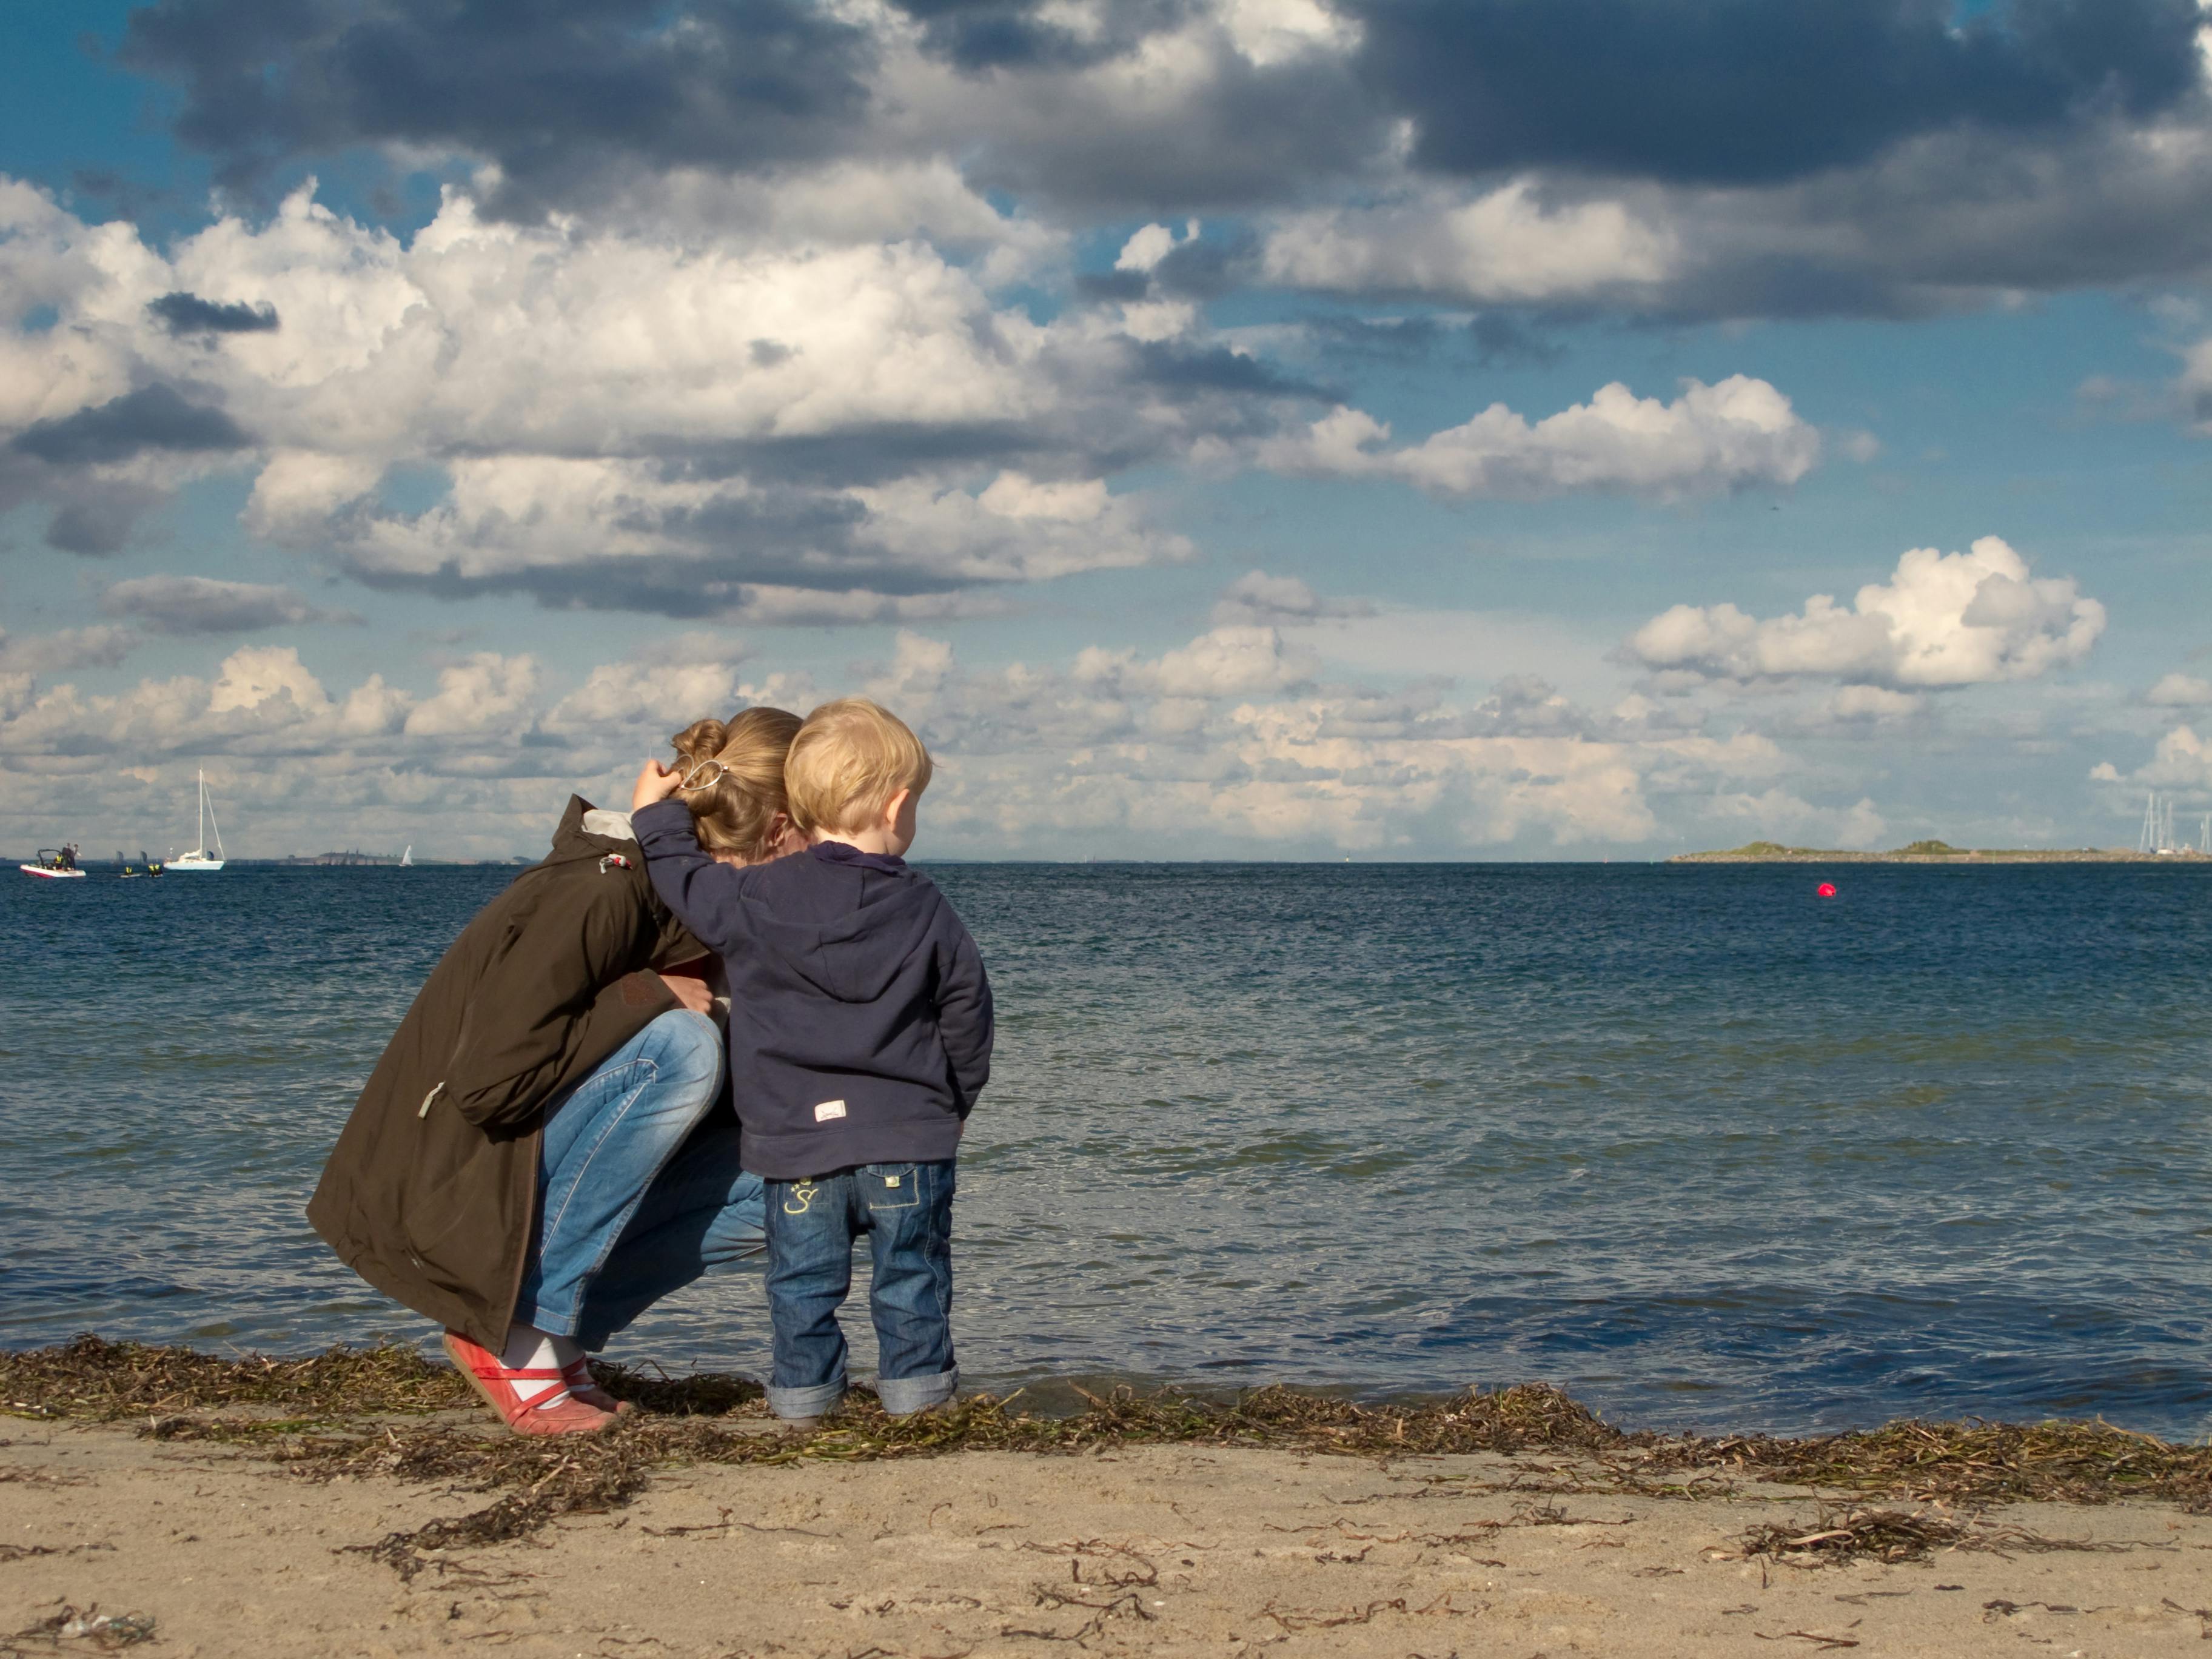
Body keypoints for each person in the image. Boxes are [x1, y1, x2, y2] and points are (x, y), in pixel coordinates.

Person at [308, 708, 804, 1436]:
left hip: (525, 1173)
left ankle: (557, 1336)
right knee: (683, 1047)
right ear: (783, 826)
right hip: (454, 1185)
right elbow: (488, 1082)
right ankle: (510, 1336)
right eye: (827, 826)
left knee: (798, 1173)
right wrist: (649, 994)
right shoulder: (606, 885)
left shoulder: (720, 913)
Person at [630, 697, 993, 1428]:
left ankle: (803, 1405)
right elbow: (967, 1012)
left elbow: (685, 882)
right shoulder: (924, 905)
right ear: (895, 807)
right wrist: (950, 1106)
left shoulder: (754, 894)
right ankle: (919, 1403)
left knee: (800, 1286)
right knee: (912, 1280)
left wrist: (656, 816)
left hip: (797, 1146)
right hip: (907, 1142)